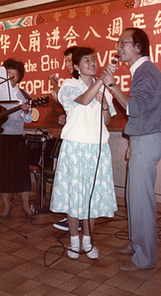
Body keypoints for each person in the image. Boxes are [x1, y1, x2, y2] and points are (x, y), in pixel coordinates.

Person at [100, 28, 161, 271]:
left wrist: (112, 85)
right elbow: (143, 112)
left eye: (123, 43)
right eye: (118, 43)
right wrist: (132, 142)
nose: (118, 47)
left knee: (142, 202)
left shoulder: (146, 71)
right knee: (134, 198)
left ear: (138, 47)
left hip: (147, 140)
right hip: (142, 139)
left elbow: (136, 107)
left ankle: (145, 258)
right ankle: (135, 243)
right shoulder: (141, 71)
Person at [50, 47, 117, 260]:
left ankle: (88, 241)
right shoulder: (69, 86)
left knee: (91, 197)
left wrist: (105, 104)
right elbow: (84, 100)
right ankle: (73, 241)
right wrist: (101, 82)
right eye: (87, 60)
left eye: (94, 59)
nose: (92, 63)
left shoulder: (103, 88)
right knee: (73, 197)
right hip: (75, 149)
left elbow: (106, 121)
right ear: (77, 66)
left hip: (97, 149)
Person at [0, 58, 35, 220]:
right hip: (1, 139)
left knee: (22, 173)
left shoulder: (23, 95)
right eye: (8, 73)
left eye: (14, 74)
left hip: (17, 139)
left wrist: (26, 110)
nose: (10, 76)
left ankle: (25, 206)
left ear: (19, 77)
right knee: (3, 174)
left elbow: (30, 119)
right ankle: (6, 206)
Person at [49, 47, 83, 232]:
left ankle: (78, 222)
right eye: (66, 61)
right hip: (74, 138)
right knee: (71, 182)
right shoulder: (71, 83)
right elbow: (70, 106)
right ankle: (72, 218)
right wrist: (65, 117)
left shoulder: (83, 82)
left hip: (83, 141)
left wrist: (56, 87)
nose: (68, 65)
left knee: (78, 183)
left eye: (70, 61)